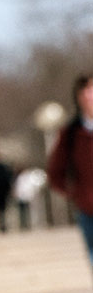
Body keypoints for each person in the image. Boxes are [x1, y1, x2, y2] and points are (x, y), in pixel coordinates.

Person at [47, 74, 93, 266]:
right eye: (86, 93)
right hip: (87, 208)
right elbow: (55, 172)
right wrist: (74, 194)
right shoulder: (71, 133)